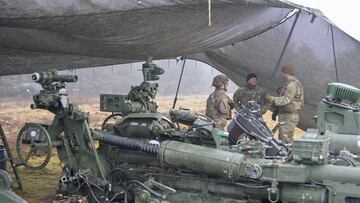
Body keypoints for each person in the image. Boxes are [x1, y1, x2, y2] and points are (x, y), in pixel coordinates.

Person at [265, 64, 304, 144]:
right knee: (285, 139)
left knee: (285, 140)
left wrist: (271, 98)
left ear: (285, 73)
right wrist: (276, 111)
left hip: (289, 116)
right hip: (288, 116)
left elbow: (286, 100)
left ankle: (286, 155)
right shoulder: (295, 83)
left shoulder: (292, 85)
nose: (281, 75)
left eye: (282, 73)